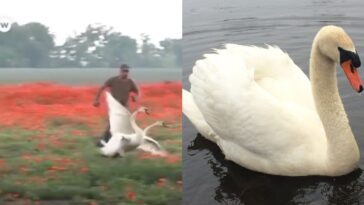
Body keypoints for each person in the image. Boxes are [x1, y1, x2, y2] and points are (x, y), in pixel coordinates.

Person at [93, 64, 139, 145]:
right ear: (120, 71)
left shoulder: (130, 82)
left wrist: (135, 98)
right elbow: (102, 88)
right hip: (114, 106)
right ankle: (104, 141)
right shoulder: (113, 80)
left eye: (127, 71)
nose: (125, 73)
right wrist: (96, 99)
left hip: (124, 107)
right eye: (124, 71)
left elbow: (136, 92)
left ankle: (123, 142)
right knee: (111, 124)